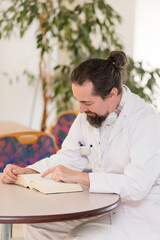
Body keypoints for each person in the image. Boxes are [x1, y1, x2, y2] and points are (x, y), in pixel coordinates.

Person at [1, 51, 160, 240]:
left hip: (136, 212)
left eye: (87, 102)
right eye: (78, 101)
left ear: (112, 94)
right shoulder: (89, 116)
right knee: (37, 228)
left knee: (79, 237)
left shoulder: (146, 122)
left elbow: (137, 186)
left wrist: (84, 178)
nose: (80, 110)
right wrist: (28, 171)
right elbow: (66, 158)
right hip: (99, 202)